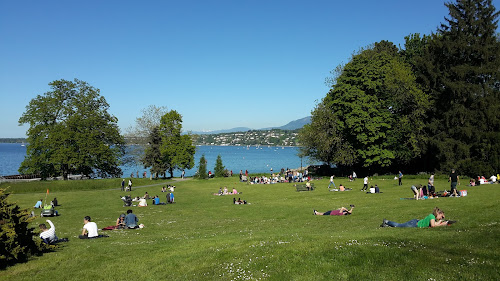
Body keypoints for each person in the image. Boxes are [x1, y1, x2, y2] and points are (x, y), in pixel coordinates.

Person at [381, 207, 450, 228]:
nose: (441, 218)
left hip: (415, 222)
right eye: (441, 217)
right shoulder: (432, 216)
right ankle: (386, 221)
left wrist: (440, 222)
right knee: (399, 225)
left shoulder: (433, 217)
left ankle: (386, 225)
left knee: (399, 226)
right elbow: (432, 225)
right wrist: (441, 224)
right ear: (438, 213)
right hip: (414, 224)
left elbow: (434, 224)